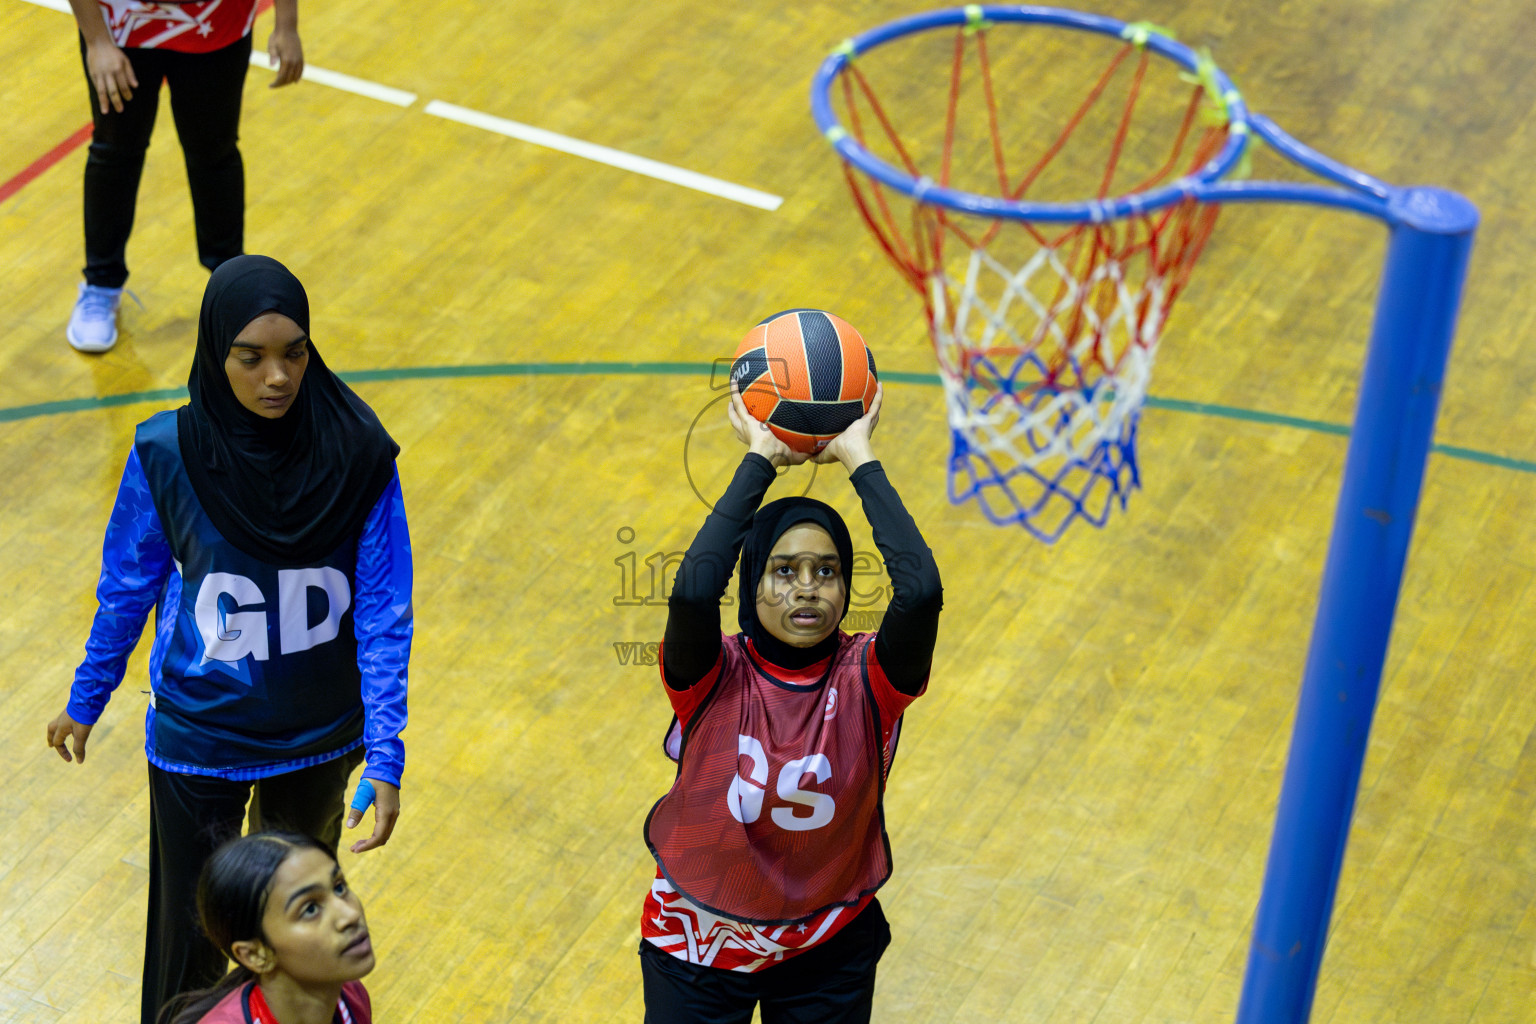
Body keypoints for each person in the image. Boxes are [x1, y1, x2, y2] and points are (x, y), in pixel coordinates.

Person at [46, 255, 411, 1024]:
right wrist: (88, 696)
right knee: (189, 946)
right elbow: (127, 588)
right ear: (217, 355)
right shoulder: (164, 454)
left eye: (294, 354)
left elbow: (383, 611)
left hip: (317, 738)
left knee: (289, 937)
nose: (277, 376)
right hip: (199, 737)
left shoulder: (360, 452)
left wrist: (386, 753)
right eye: (251, 358)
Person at [639, 374, 943, 1022]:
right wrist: (760, 458)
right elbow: (692, 594)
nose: (807, 588)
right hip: (697, 941)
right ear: (750, 584)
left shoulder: (871, 678)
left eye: (826, 571)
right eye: (784, 570)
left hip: (826, 943)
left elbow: (919, 594)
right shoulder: (712, 672)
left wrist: (861, 457)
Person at [64, 0, 303, 352]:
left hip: (217, 23)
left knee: (214, 154)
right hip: (122, 26)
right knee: (114, 153)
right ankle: (101, 285)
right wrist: (97, 42)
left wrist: (287, 24)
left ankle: (232, 288)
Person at [156, 831, 375, 1024]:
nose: (351, 914)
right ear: (254, 954)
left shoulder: (350, 995)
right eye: (310, 909)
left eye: (339, 888)